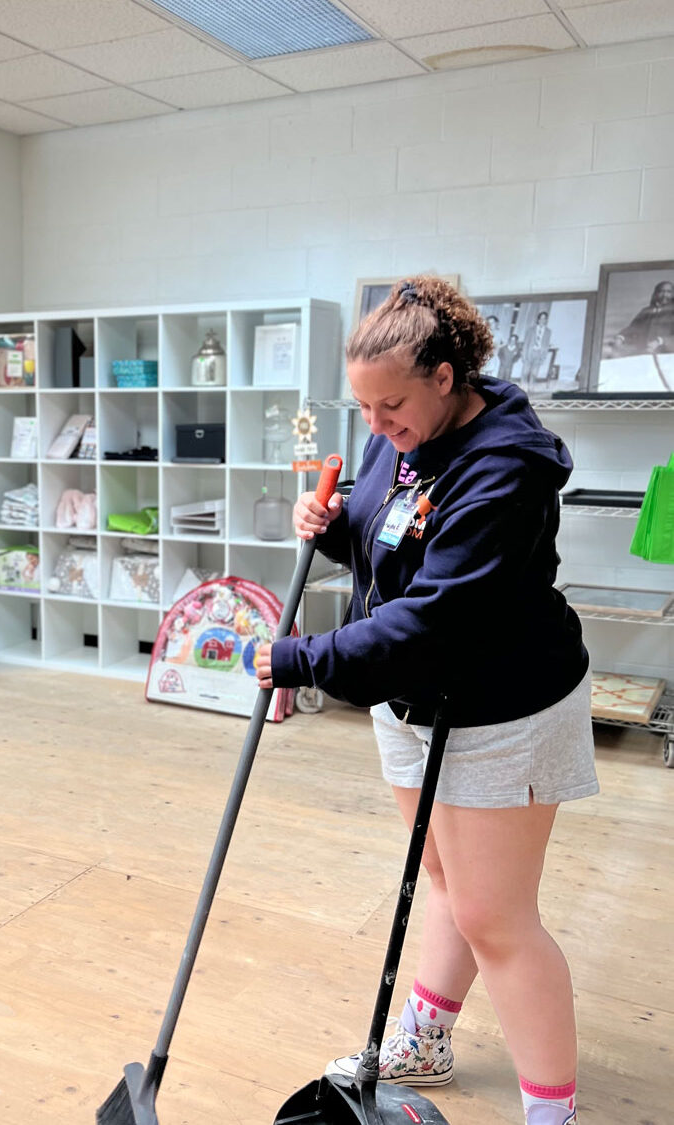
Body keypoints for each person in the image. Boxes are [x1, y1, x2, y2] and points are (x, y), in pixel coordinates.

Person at [254, 276, 597, 1125]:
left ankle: (552, 1115)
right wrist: (335, 527)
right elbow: (393, 529)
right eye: (363, 410)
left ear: (445, 377)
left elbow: (439, 612)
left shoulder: (506, 467)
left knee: (496, 916)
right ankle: (426, 1036)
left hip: (503, 704)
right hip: (412, 697)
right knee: (441, 874)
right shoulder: (400, 432)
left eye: (391, 406)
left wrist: (303, 658)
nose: (377, 428)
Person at [604, 279, 674, 357]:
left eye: (668, 292)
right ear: (656, 294)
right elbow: (633, 328)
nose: (664, 295)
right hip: (643, 355)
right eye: (661, 291)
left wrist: (660, 341)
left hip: (667, 357)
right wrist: (620, 338)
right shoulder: (646, 311)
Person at [522, 309, 552, 383]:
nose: (542, 320)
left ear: (546, 320)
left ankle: (531, 390)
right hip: (530, 353)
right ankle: (523, 389)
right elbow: (526, 344)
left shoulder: (548, 332)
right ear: (538, 319)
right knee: (525, 373)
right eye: (541, 318)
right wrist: (524, 355)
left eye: (544, 318)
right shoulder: (530, 330)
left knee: (534, 374)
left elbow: (546, 345)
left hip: (539, 354)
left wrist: (544, 357)